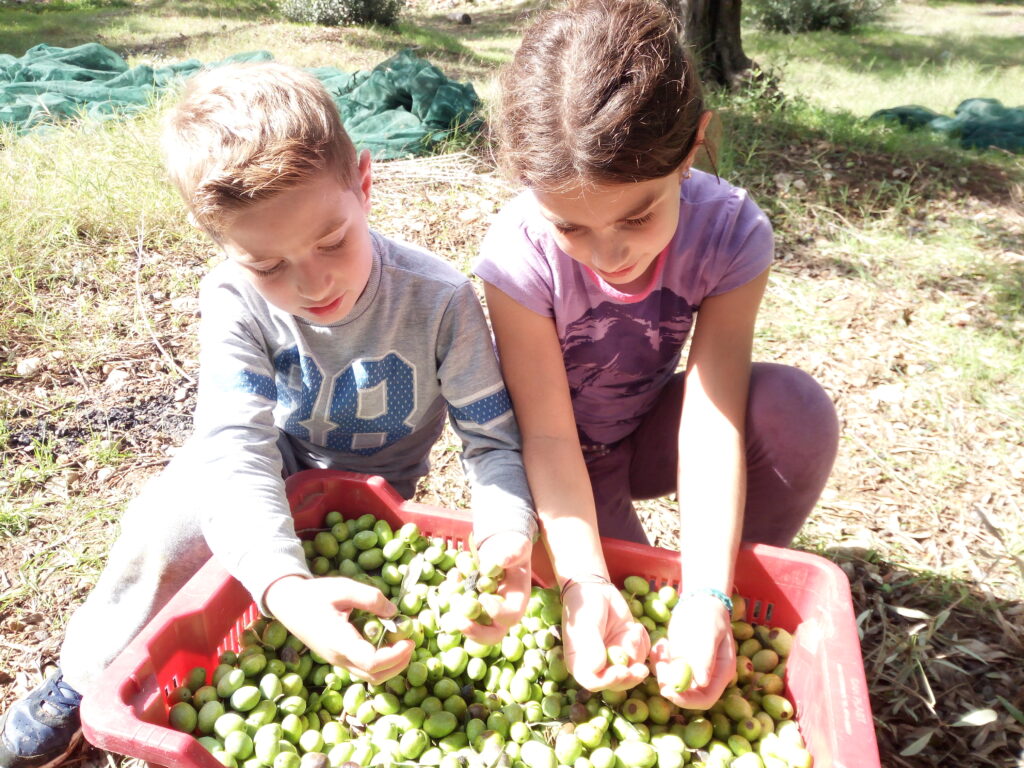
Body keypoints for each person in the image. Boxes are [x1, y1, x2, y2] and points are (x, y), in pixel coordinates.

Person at [0, 61, 537, 768]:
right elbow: (234, 449)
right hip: (272, 459)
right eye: (267, 263)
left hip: (369, 499)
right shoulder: (233, 300)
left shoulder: (439, 300)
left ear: (366, 185)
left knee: (380, 611)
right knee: (163, 528)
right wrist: (285, 588)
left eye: (331, 242)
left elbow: (493, 444)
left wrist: (505, 535)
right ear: (225, 246)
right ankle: (82, 677)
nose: (312, 283)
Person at [475, 0, 839, 708]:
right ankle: (631, 569)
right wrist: (585, 579)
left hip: (644, 431)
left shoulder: (731, 234)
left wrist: (708, 592)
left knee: (794, 412)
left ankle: (731, 586)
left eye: (638, 215)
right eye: (570, 227)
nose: (610, 253)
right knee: (617, 621)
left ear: (694, 142)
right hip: (558, 464)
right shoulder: (517, 259)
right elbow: (546, 437)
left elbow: (712, 418)